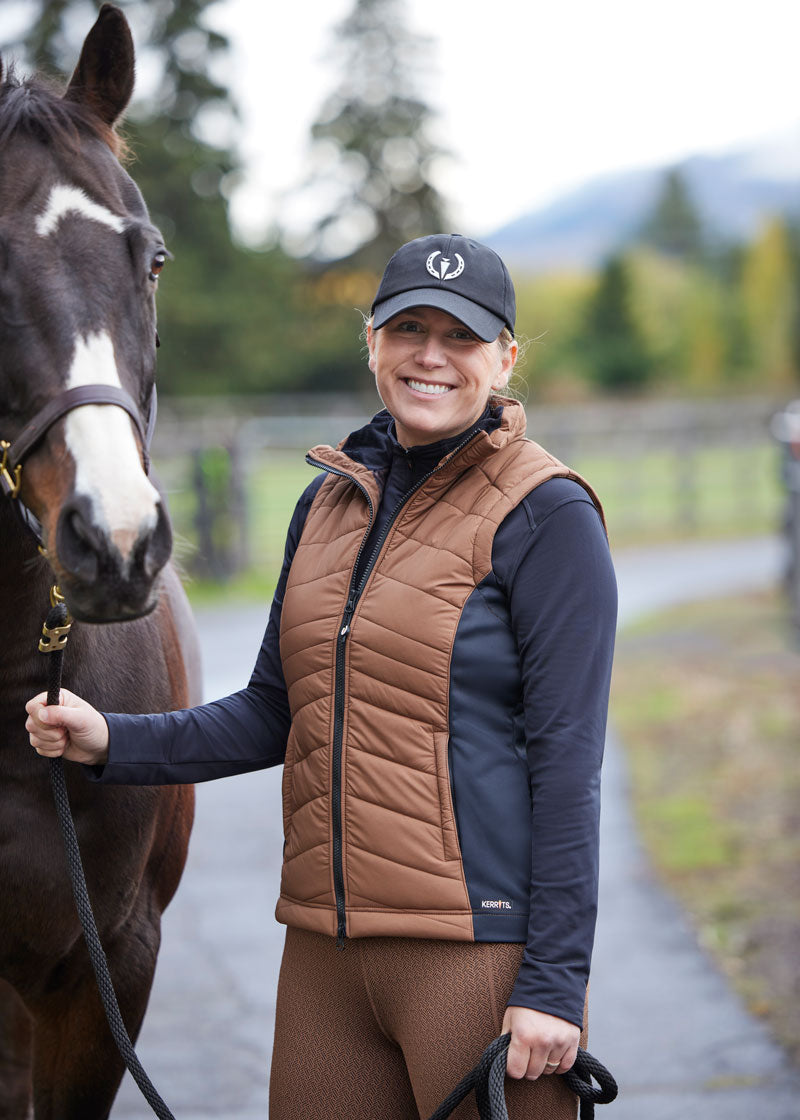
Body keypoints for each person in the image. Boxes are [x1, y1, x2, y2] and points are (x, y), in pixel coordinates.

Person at [26, 233, 617, 1119]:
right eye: (408, 327)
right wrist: (113, 739)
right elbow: (274, 711)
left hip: (472, 956)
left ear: (505, 359)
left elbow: (570, 766)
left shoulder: (549, 515)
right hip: (323, 960)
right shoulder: (329, 500)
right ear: (371, 340)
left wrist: (555, 986)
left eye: (460, 337)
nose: (430, 355)